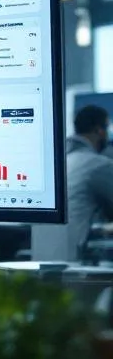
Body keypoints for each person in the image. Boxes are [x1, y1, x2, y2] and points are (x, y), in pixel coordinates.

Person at [60, 105, 113, 261]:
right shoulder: (98, 165)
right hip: (78, 260)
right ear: (99, 131)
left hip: (47, 254)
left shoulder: (62, 161)